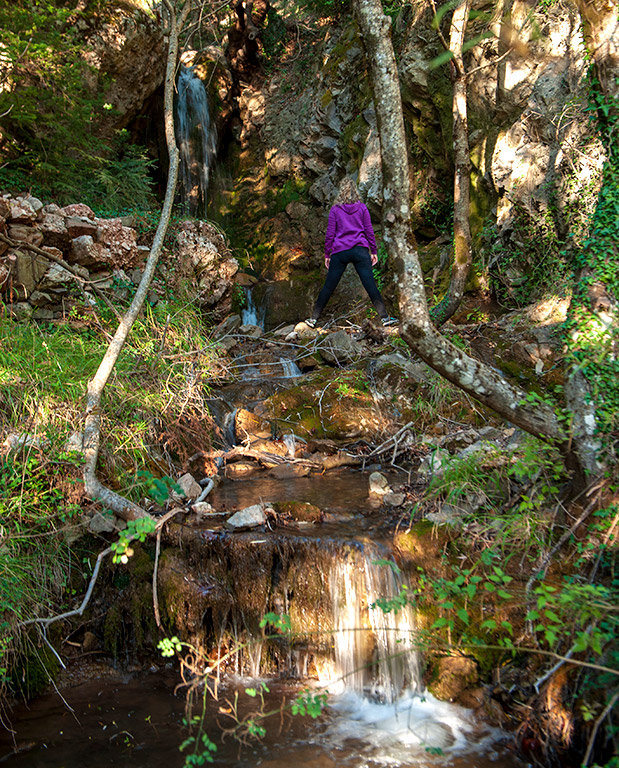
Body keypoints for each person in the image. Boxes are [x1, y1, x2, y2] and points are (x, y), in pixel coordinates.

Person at [305, 178, 397, 328]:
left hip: (340, 251)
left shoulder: (335, 209)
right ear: (356, 192)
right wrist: (373, 251)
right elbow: (369, 231)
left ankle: (313, 319)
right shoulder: (362, 208)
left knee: (329, 286)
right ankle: (385, 318)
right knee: (370, 285)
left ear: (341, 192)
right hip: (360, 250)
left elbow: (330, 234)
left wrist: (327, 254)